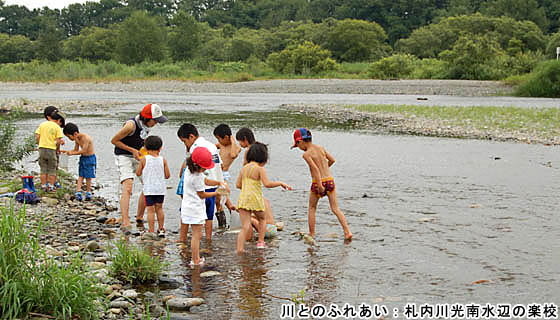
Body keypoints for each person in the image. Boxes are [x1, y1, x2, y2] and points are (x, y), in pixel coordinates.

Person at [111, 103, 167, 234]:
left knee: (148, 183)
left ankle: (140, 216)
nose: (156, 123)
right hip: (123, 155)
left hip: (138, 155)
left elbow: (142, 141)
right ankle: (125, 220)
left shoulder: (147, 126)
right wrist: (132, 150)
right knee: (128, 186)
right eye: (155, 121)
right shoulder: (131, 125)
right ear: (147, 118)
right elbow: (114, 140)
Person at [291, 128, 352, 241]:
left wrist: (319, 184)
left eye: (297, 145)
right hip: (330, 180)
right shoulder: (321, 148)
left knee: (312, 208)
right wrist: (325, 169)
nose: (298, 148)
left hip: (317, 183)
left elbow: (314, 169)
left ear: (300, 142)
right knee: (335, 208)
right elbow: (332, 160)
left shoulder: (306, 154)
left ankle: (312, 234)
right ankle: (347, 231)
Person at [236, 142, 292, 253]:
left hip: (243, 199)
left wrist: (247, 187)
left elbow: (238, 185)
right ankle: (260, 242)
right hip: (255, 199)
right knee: (262, 219)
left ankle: (240, 249)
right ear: (263, 157)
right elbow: (267, 184)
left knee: (245, 226)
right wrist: (280, 183)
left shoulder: (243, 169)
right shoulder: (259, 169)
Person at [179, 147, 228, 266]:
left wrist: (217, 182)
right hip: (195, 209)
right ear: (198, 166)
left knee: (196, 235)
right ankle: (195, 260)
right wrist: (217, 192)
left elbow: (206, 180)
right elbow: (202, 194)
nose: (206, 169)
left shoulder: (188, 171)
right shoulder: (196, 177)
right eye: (205, 167)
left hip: (187, 207)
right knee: (197, 236)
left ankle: (195, 258)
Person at [177, 123, 224, 241]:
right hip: (213, 184)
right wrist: (219, 183)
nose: (185, 145)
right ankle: (208, 240)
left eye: (184, 142)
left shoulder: (195, 148)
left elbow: (189, 169)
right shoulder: (211, 145)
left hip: (199, 187)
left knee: (186, 213)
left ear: (191, 137)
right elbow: (219, 165)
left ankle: (182, 239)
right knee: (209, 216)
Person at [135, 136, 170, 237]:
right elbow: (167, 176)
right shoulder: (163, 159)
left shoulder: (144, 159)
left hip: (149, 189)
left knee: (150, 210)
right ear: (160, 148)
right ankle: (161, 229)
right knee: (159, 209)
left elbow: (138, 173)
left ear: (145, 148)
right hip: (160, 189)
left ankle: (151, 231)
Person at [213, 123, 240, 227]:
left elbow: (233, 155)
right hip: (215, 174)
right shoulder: (220, 145)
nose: (218, 141)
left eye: (219, 138)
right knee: (218, 200)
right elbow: (210, 148)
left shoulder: (236, 148)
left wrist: (232, 141)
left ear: (226, 137)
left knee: (221, 199)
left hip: (223, 175)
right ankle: (223, 223)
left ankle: (228, 220)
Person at [62, 123, 96, 201]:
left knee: (88, 176)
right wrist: (67, 152)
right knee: (81, 175)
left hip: (90, 158)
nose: (69, 138)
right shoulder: (77, 138)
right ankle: (78, 191)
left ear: (75, 133)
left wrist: (72, 153)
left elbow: (84, 150)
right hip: (83, 158)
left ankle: (88, 192)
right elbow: (76, 150)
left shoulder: (86, 138)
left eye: (69, 136)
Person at [35, 109, 65, 192]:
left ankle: (43, 185)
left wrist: (40, 144)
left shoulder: (42, 124)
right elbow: (58, 141)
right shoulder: (57, 127)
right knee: (52, 168)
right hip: (51, 149)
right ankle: (51, 186)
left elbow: (37, 136)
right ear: (58, 120)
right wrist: (58, 149)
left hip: (41, 149)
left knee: (43, 168)